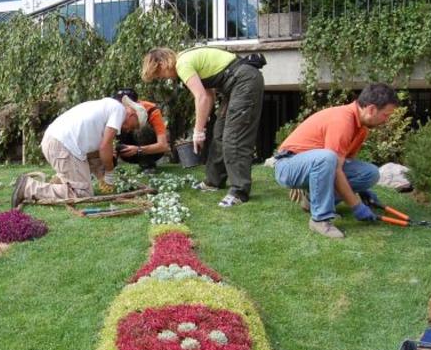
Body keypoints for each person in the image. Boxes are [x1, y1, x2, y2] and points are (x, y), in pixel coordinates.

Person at [272, 83, 400, 239]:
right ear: (372, 109)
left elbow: (345, 163)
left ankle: (311, 202)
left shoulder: (361, 128)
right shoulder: (343, 120)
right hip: (288, 165)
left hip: (314, 163)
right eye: (386, 115)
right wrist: (356, 206)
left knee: (370, 173)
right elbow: (335, 168)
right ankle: (320, 219)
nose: (386, 120)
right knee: (327, 158)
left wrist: (361, 190)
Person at [141, 46, 264, 208]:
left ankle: (239, 192)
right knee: (219, 133)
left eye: (159, 74)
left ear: (163, 63)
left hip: (244, 82)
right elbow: (208, 95)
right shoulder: (185, 60)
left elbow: (200, 98)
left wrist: (198, 132)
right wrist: (202, 124)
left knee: (234, 137)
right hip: (235, 85)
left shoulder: (182, 65)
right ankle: (214, 181)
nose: (162, 78)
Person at [12, 95, 147, 207]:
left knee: (104, 157)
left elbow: (100, 151)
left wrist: (103, 173)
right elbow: (105, 146)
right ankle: (29, 187)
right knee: (82, 194)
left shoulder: (108, 106)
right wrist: (110, 173)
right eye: (133, 126)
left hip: (57, 141)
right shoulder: (119, 111)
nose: (129, 130)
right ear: (132, 114)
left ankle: (58, 183)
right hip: (62, 146)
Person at [111, 88, 170, 172]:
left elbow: (163, 146)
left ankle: (147, 165)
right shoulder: (115, 113)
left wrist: (138, 149)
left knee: (142, 128)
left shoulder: (151, 110)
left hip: (151, 152)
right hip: (127, 154)